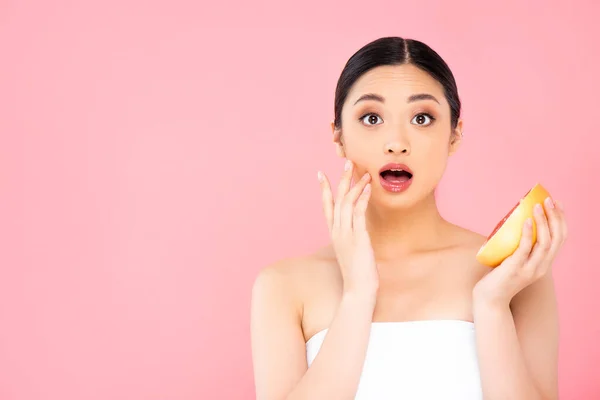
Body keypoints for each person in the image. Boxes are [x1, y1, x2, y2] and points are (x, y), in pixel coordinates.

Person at [250, 36, 567, 400]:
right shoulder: (282, 286)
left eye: (422, 118)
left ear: (454, 135)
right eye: (371, 118)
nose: (397, 142)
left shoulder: (516, 273)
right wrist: (357, 295)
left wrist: (492, 306)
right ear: (338, 137)